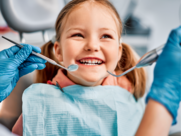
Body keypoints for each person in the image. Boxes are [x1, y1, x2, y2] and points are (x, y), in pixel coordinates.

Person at [0, 0, 180, 136]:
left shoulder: (128, 100)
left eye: (106, 36)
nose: (92, 45)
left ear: (118, 54)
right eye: (78, 35)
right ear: (59, 52)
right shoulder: (38, 102)